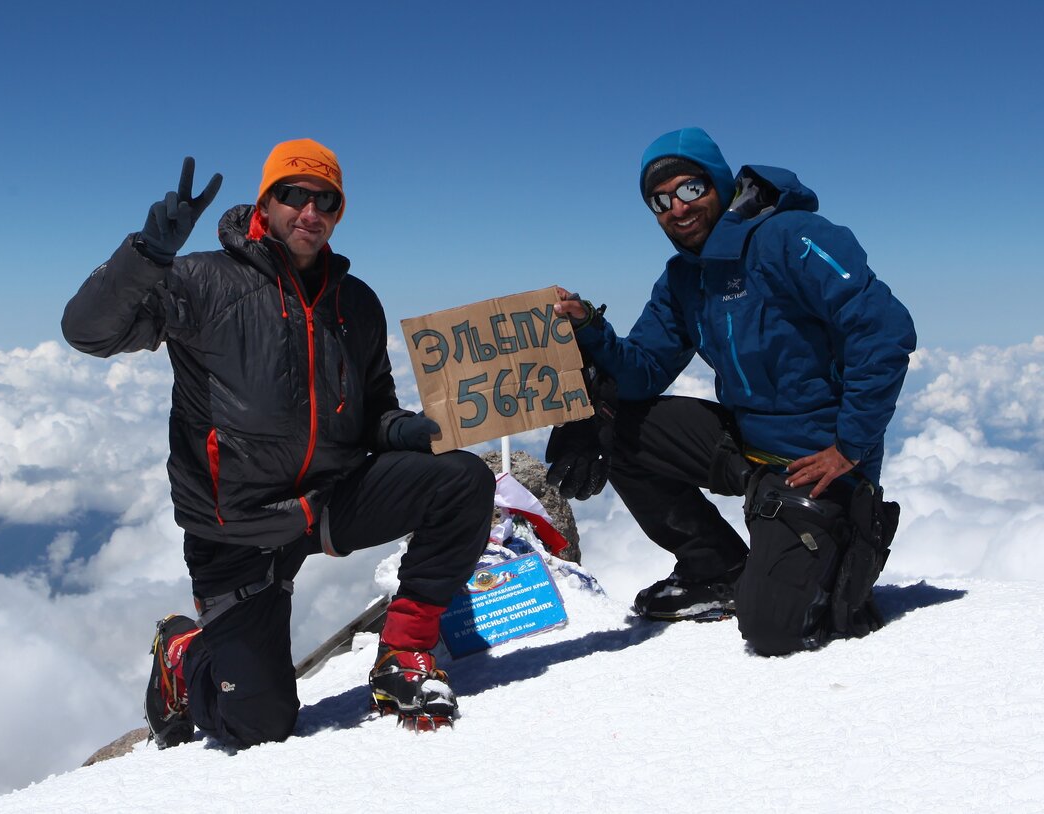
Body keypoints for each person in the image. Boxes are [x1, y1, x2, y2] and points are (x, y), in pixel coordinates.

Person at [62, 139, 494, 745]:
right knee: (258, 725)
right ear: (266, 202)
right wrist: (146, 256)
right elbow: (87, 333)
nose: (309, 212)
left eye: (326, 200)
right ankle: (185, 652)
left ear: (339, 213)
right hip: (236, 526)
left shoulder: (357, 303)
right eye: (293, 195)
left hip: (327, 501)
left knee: (463, 480)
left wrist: (401, 430)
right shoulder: (201, 281)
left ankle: (404, 652)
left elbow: (374, 410)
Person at [546, 127, 915, 656]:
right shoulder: (683, 279)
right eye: (660, 200)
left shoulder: (793, 238)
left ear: (719, 183)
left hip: (817, 459)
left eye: (690, 189)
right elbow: (643, 372)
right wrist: (589, 330)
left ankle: (848, 538)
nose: (677, 208)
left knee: (775, 631)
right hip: (748, 447)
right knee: (617, 426)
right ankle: (716, 568)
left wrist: (850, 446)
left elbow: (883, 330)